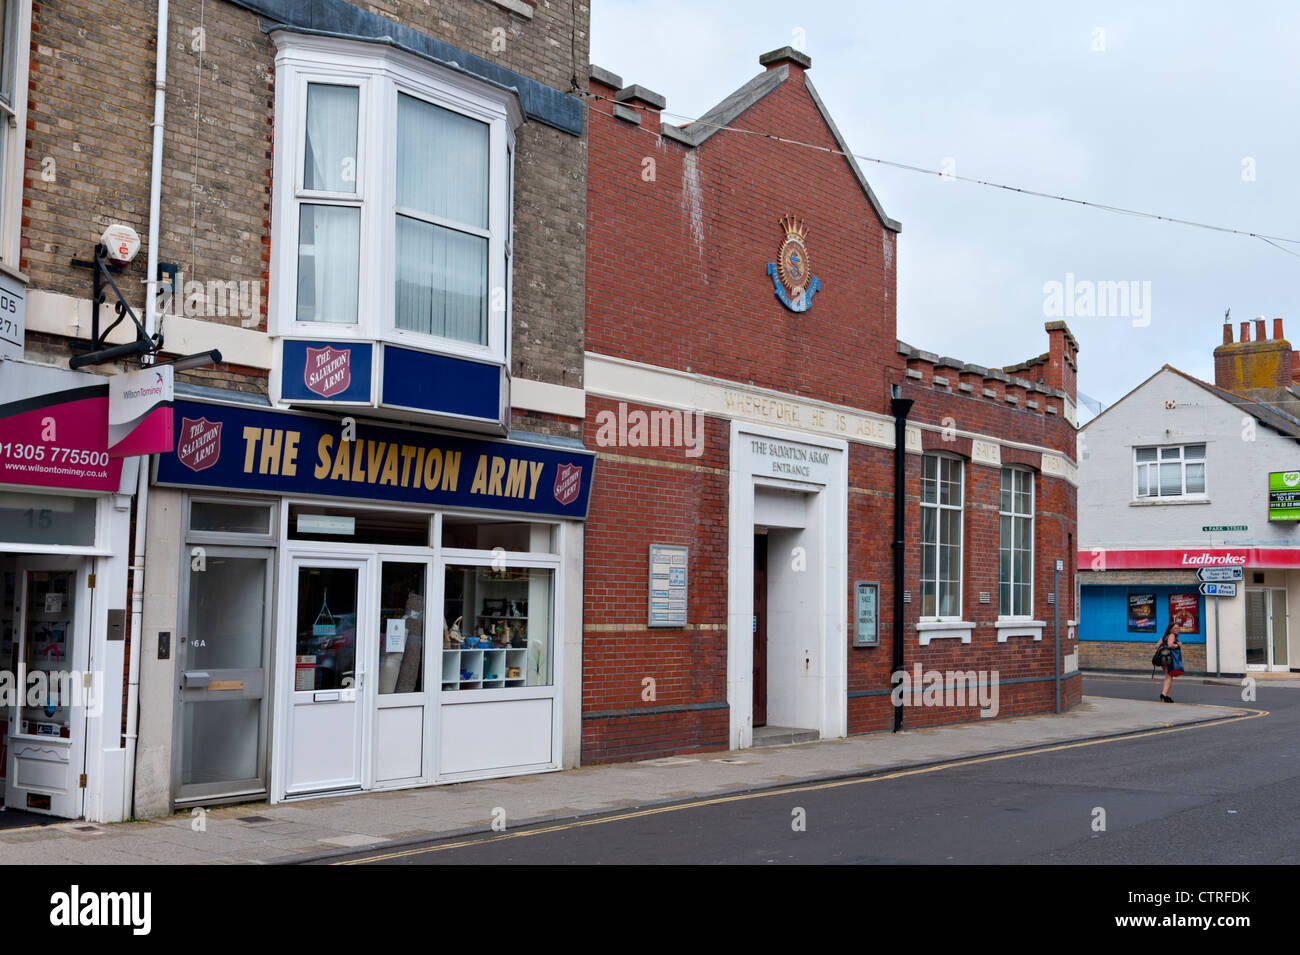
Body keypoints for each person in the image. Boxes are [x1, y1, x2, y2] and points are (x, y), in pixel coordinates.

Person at [1155, 622, 1183, 702]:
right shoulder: (1172, 635)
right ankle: (1163, 694)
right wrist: (1178, 645)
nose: (1177, 630)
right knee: (1169, 677)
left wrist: (1163, 648)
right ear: (1171, 629)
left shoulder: (1164, 636)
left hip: (1162, 659)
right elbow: (1170, 645)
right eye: (1175, 628)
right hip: (1169, 659)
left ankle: (1168, 696)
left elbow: (1156, 646)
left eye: (1178, 628)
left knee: (1168, 677)